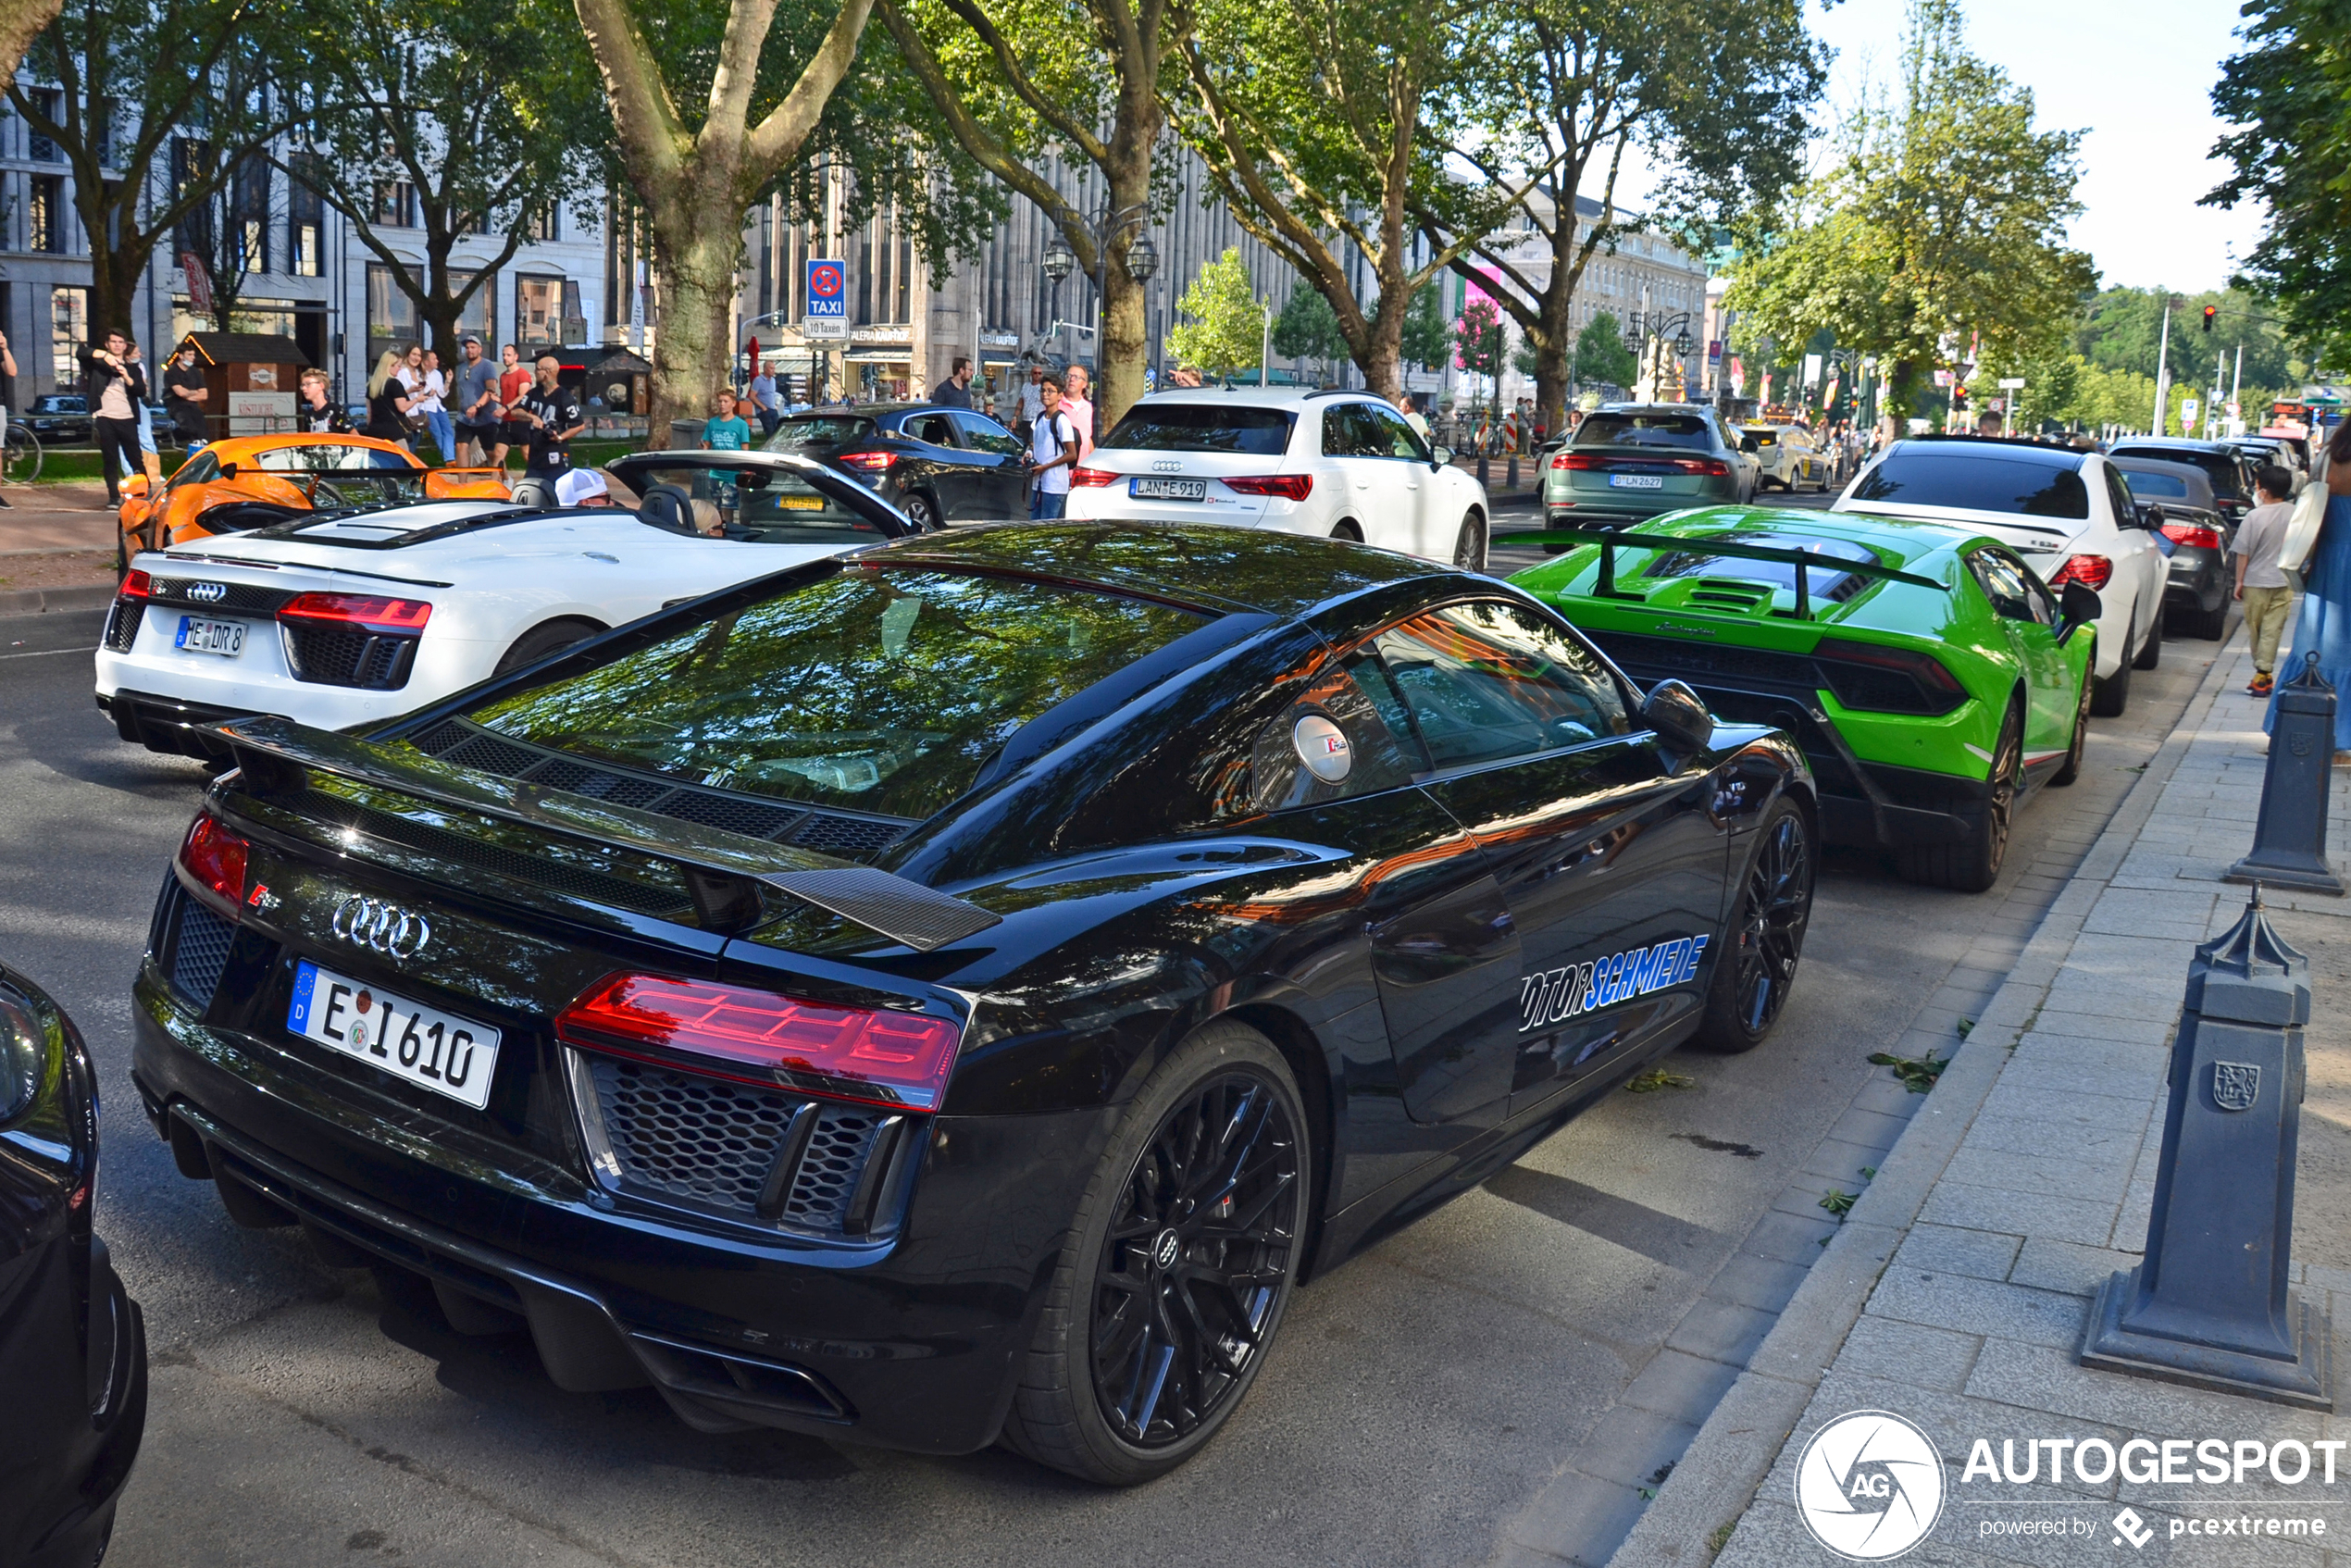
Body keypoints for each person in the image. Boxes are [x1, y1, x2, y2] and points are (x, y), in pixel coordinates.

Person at [2270, 422, 2351, 763]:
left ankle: (2287, 722)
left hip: (2326, 557)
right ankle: (2338, 737)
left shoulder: (2330, 456)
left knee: (2314, 640)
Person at [2236, 464, 2298, 696]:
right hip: (2284, 581)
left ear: (2262, 490)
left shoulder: (2254, 516)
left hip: (2255, 581)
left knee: (2256, 630)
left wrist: (2239, 582)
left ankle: (2262, 673)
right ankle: (2264, 674)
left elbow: (2244, 552)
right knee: (2273, 629)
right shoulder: (2295, 514)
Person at [82, 330, 146, 508]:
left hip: (127, 418)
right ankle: (113, 497)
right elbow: (81, 353)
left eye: (120, 342)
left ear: (125, 346)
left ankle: (141, 494)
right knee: (110, 458)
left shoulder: (133, 368)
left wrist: (125, 375)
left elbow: (140, 390)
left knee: (135, 458)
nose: (117, 345)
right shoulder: (98, 365)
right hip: (105, 416)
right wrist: (105, 356)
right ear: (107, 344)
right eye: (113, 342)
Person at [512, 355, 585, 474]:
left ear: (547, 373)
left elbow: (579, 425)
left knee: (553, 489)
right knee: (532, 488)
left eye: (538, 369)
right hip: (535, 455)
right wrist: (531, 417)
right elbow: (515, 411)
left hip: (555, 455)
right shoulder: (533, 394)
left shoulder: (564, 397)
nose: (535, 372)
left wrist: (560, 437)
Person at [1027, 376, 1081, 519]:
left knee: (1048, 528)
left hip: (1055, 485)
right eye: (1043, 391)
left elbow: (1072, 454)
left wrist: (1045, 467)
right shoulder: (1039, 418)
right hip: (1038, 483)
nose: (1045, 394)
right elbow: (1034, 445)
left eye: (1050, 391)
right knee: (1033, 527)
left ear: (1060, 396)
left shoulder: (1061, 421)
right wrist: (1028, 454)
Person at [453, 336, 500, 465]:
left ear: (480, 349)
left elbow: (490, 390)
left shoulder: (487, 366)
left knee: (490, 452)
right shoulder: (461, 368)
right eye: (467, 348)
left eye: (473, 347)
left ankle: (504, 477)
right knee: (461, 447)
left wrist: (477, 405)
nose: (469, 350)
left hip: (485, 416)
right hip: (464, 417)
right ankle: (462, 483)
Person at [411, 347, 454, 464]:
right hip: (426, 408)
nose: (437, 361)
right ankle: (448, 459)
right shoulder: (417, 374)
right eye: (434, 359)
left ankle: (450, 459)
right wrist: (427, 394)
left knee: (448, 432)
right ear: (426, 362)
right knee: (438, 434)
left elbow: (442, 393)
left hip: (438, 407)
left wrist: (448, 381)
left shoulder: (437, 374)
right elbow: (416, 394)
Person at [492, 343, 532, 469]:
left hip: (521, 420)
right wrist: (497, 399)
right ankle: (499, 482)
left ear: (516, 357)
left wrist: (505, 408)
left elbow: (523, 396)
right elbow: (507, 398)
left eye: (508, 355)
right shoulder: (503, 376)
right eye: (504, 355)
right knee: (498, 455)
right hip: (507, 421)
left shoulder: (523, 374)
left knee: (527, 454)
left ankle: (538, 476)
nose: (505, 358)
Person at [365, 350, 417, 443]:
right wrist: (417, 399)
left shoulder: (372, 385)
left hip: (375, 431)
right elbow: (402, 407)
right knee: (403, 457)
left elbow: (369, 413)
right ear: (390, 365)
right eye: (398, 366)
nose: (400, 369)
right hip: (394, 432)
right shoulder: (395, 384)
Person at [162, 343, 208, 447]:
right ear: (181, 356)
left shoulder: (195, 372)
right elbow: (180, 393)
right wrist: (194, 392)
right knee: (189, 427)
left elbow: (204, 395)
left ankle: (199, 447)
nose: (193, 357)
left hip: (192, 404)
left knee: (202, 430)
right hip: (176, 404)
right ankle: (175, 435)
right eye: (190, 354)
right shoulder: (172, 371)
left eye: (193, 355)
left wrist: (188, 394)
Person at [294, 368, 352, 434]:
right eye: (303, 385)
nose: (304, 388)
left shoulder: (336, 409)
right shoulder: (309, 414)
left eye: (308, 384)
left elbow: (353, 434)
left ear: (321, 386)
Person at [1061, 364, 1096, 458]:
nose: (1072, 379)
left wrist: (1093, 459)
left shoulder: (1087, 407)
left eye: (1076, 377)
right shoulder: (1056, 405)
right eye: (1069, 376)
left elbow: (1087, 437)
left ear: (1084, 384)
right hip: (1062, 466)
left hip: (1081, 466)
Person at [701, 389, 753, 453]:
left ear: (733, 403)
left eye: (725, 401)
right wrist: (702, 445)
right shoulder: (712, 422)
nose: (722, 404)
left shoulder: (741, 424)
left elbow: (745, 449)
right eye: (720, 401)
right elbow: (706, 445)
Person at [747, 365, 781, 435]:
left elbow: (773, 394)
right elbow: (752, 396)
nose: (773, 370)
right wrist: (763, 407)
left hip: (772, 409)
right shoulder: (758, 380)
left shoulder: (773, 380)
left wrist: (776, 405)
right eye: (771, 368)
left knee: (778, 431)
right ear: (765, 369)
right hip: (764, 410)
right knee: (770, 432)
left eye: (774, 368)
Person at [1017, 361, 1046, 440]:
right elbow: (1021, 402)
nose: (1037, 375)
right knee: (1025, 441)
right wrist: (1015, 416)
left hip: (1037, 420)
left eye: (1039, 373)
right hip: (1025, 419)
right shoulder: (1025, 386)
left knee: (1033, 442)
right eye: (1035, 373)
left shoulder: (1043, 387)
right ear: (1031, 374)